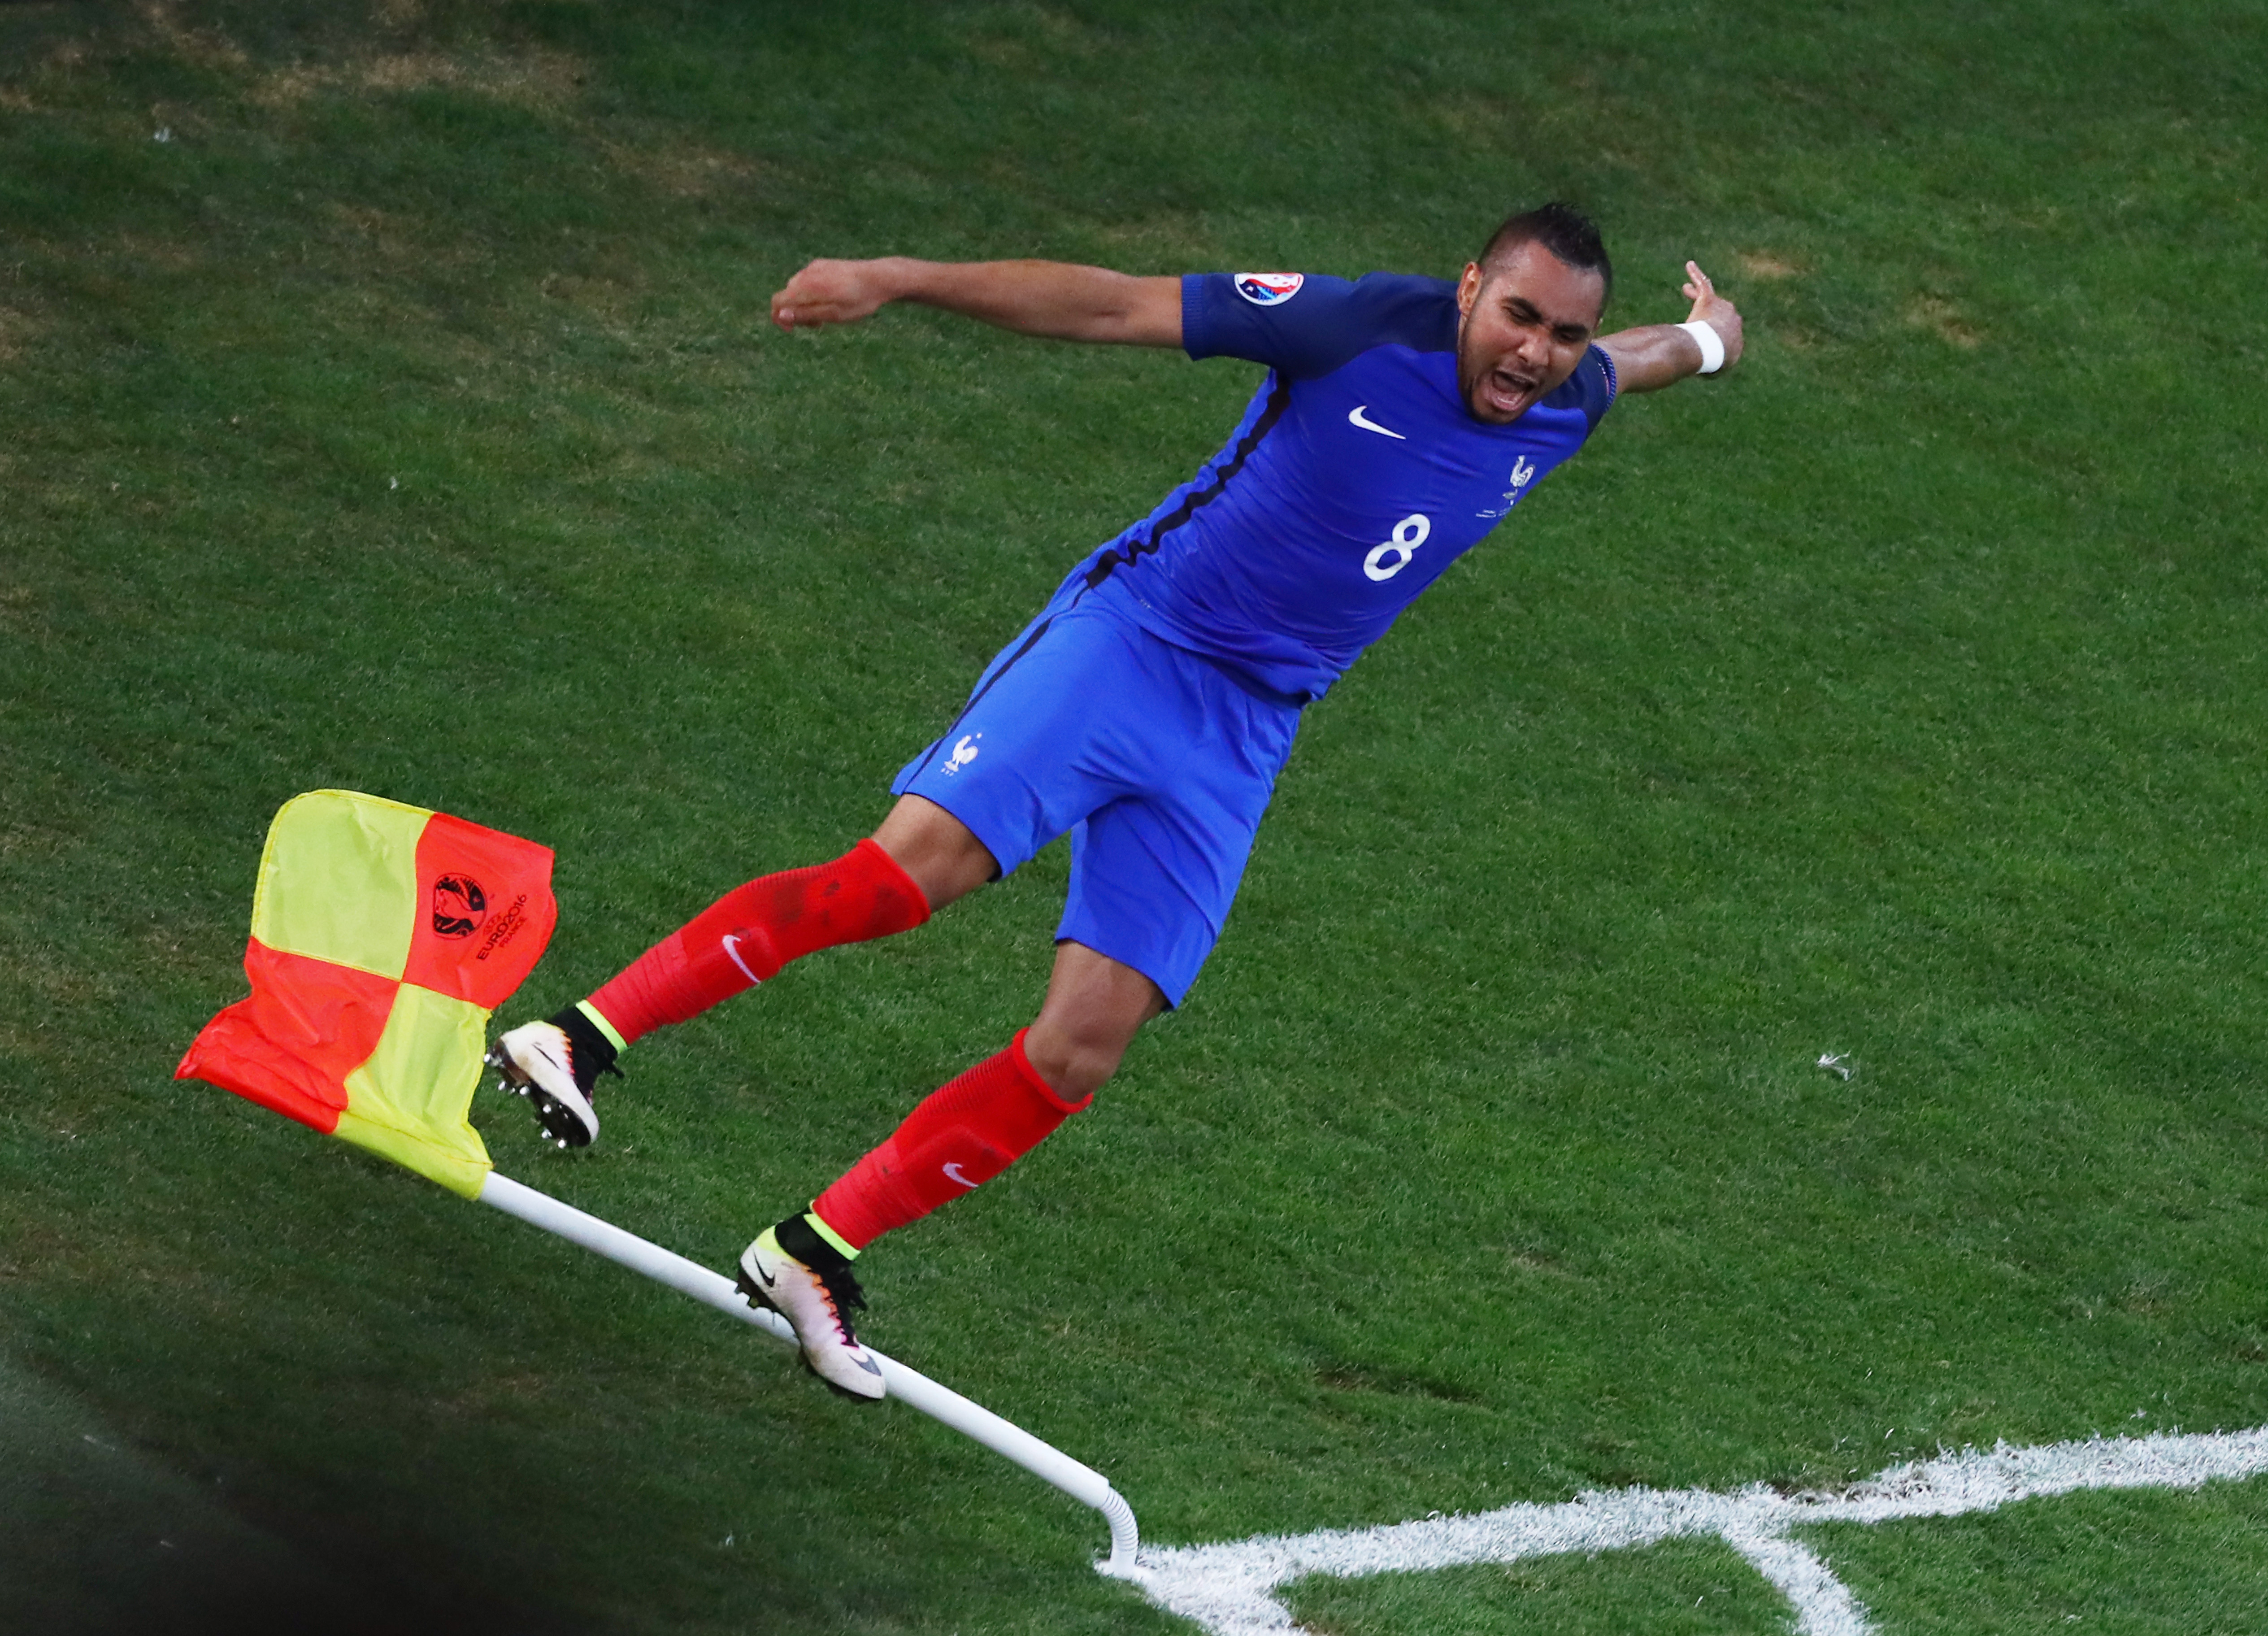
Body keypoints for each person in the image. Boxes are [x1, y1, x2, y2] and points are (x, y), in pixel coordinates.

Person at [488, 203, 1744, 1400]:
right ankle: (582, 1036)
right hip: (1136, 642)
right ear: (1470, 289)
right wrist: (899, 280)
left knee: (1081, 1048)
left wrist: (1711, 341)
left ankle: (812, 1252)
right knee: (897, 883)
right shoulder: (1357, 323)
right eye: (1518, 315)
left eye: (1564, 333)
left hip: (1245, 734)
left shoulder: (1570, 397)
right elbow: (1111, 307)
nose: (1535, 353)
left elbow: (1648, 358)